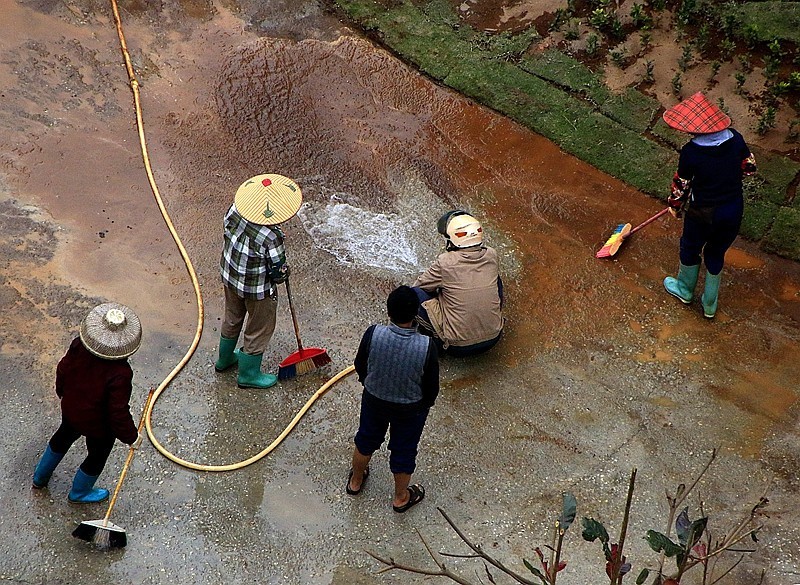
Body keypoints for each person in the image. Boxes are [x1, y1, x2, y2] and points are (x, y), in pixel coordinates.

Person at [32, 302, 144, 503]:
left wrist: (62, 393)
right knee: (97, 455)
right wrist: (131, 437)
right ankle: (79, 492)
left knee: (62, 438)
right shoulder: (121, 373)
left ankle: (40, 477)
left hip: (72, 409)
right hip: (99, 426)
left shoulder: (78, 345)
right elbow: (118, 411)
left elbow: (63, 369)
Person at [662, 92, 757, 319]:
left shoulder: (691, 153)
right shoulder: (736, 139)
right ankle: (710, 304)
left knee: (690, 246)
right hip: (732, 209)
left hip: (703, 212)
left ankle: (685, 290)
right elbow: (749, 167)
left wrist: (675, 205)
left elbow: (682, 184)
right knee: (716, 252)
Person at [347, 286, 439, 513]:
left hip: (374, 400)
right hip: (410, 409)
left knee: (365, 440)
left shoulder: (373, 333)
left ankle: (356, 481)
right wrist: (424, 405)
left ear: (389, 312)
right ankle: (400, 497)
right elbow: (431, 387)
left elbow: (360, 365)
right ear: (416, 314)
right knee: (404, 450)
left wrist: (369, 384)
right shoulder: (427, 347)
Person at [214, 173, 302, 389]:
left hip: (231, 277)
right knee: (259, 327)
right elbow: (277, 271)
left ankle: (224, 359)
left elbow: (227, 230)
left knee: (232, 317)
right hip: (258, 290)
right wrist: (284, 273)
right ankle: (248, 374)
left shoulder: (235, 210)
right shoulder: (271, 237)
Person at [412, 210, 504, 356]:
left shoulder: (445, 262)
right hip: (494, 337)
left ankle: (432, 338)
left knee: (411, 295)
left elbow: (419, 286)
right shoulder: (492, 255)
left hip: (457, 347)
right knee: (496, 279)